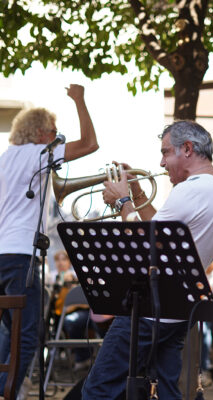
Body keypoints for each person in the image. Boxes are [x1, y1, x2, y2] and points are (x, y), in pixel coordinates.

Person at [82, 120, 213, 400]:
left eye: (166, 152)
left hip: (151, 311)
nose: (162, 163)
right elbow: (159, 230)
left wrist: (121, 202)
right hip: (178, 308)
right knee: (165, 391)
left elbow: (144, 242)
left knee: (99, 389)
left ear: (187, 149)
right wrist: (137, 194)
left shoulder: (192, 190)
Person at [0, 84, 98, 396]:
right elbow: (90, 144)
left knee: (9, 331)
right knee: (29, 334)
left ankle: (5, 387)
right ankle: (8, 391)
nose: (59, 136)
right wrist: (80, 101)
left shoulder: (5, 158)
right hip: (20, 256)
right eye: (54, 130)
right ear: (41, 132)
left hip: (2, 254)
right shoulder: (38, 154)